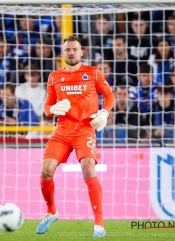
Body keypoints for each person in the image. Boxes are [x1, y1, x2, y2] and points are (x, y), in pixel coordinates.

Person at [36, 36, 115, 238]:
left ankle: (99, 224)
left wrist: (104, 113)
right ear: (62, 54)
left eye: (75, 49)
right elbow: (47, 108)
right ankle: (51, 211)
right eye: (67, 50)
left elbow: (110, 96)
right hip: (62, 130)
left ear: (82, 52)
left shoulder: (93, 73)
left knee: (88, 166)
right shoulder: (54, 77)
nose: (71, 52)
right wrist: (52, 108)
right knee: (46, 170)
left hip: (85, 129)